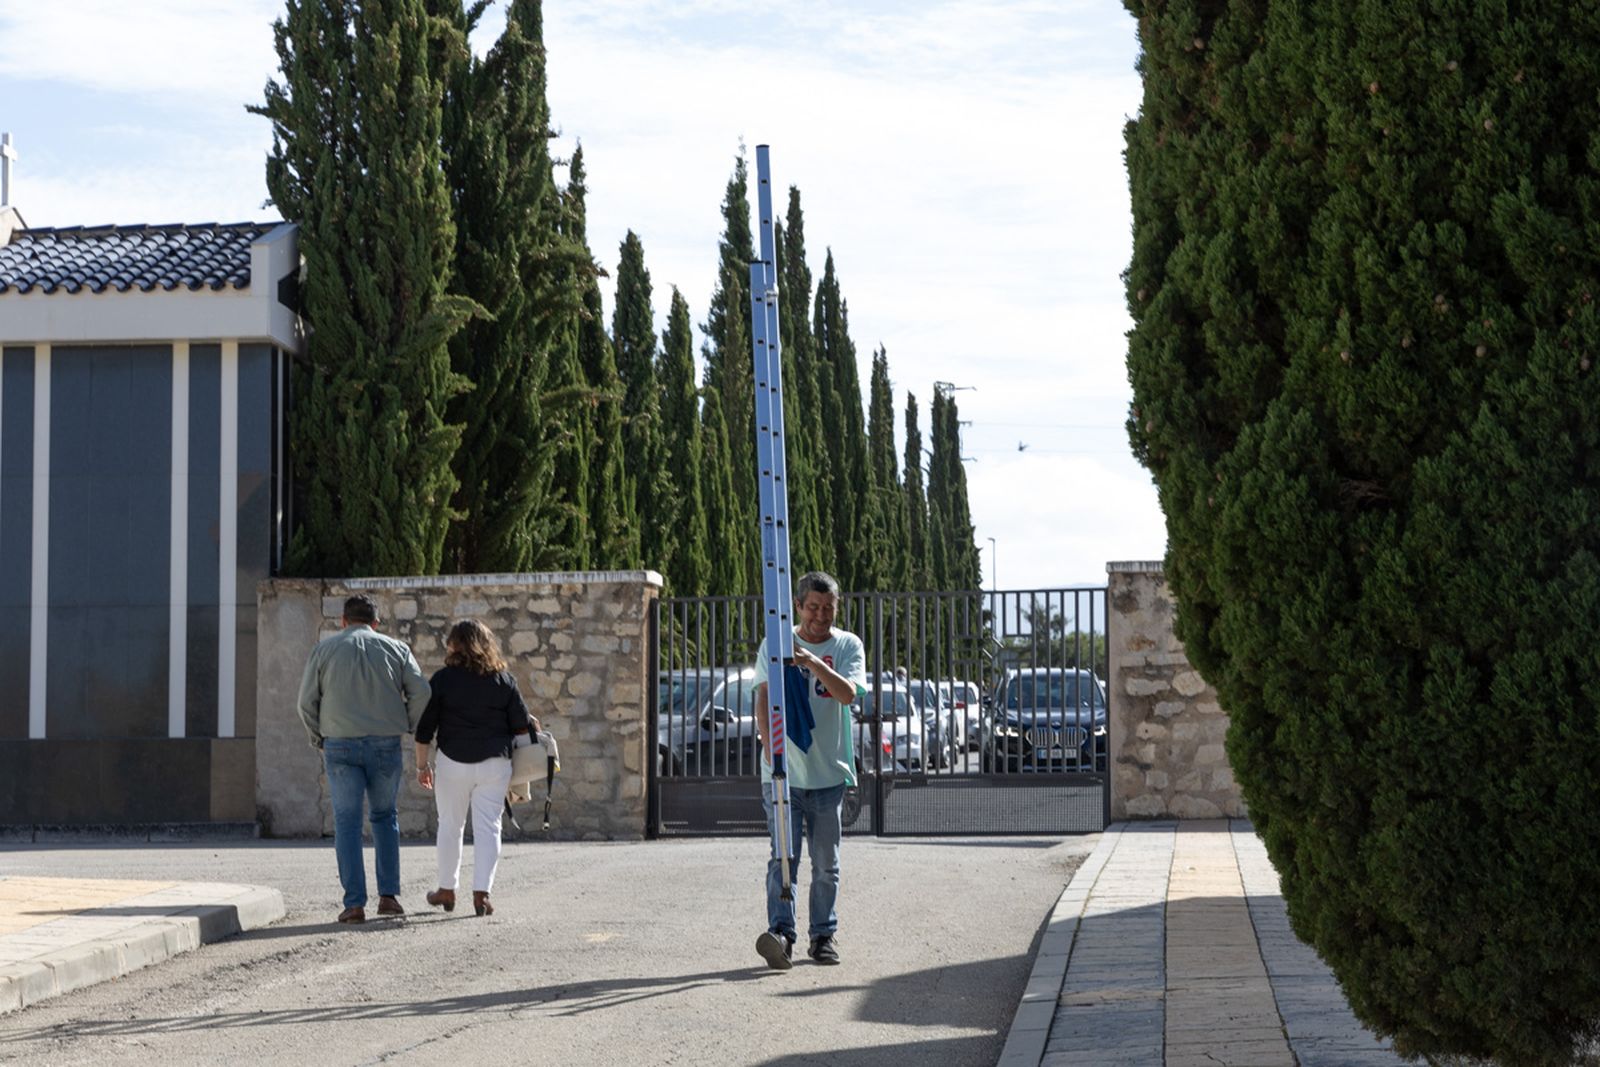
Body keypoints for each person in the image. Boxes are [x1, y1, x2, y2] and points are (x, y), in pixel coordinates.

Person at [752, 571, 867, 970]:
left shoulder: (848, 645)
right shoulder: (776, 643)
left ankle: (823, 936)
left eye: (828, 608)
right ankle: (781, 934)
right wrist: (770, 748)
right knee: (782, 858)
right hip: (783, 775)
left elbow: (847, 693)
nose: (820, 616)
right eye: (813, 607)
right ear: (799, 606)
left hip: (827, 776)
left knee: (826, 863)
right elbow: (764, 696)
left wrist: (813, 662)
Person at [297, 594, 431, 924]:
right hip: (385, 742)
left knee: (346, 821)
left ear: (343, 621)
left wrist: (319, 738)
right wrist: (408, 725)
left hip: (339, 744)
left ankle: (354, 904)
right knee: (385, 816)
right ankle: (388, 897)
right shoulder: (397, 649)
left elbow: (305, 703)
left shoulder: (324, 650)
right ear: (376, 623)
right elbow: (422, 692)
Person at [413, 620, 536, 918]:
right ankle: (482, 894)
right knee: (489, 828)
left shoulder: (442, 680)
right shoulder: (503, 680)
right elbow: (522, 727)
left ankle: (446, 889)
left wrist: (422, 766)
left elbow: (424, 730)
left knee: (450, 825)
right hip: (495, 763)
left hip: (453, 762)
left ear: (455, 645)